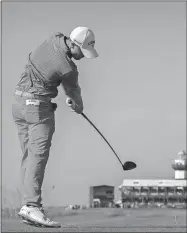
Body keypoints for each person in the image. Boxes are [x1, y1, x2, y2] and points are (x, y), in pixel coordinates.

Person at [12, 26, 99, 227]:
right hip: (38, 110)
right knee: (37, 157)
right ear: (75, 45)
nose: (83, 57)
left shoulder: (53, 38)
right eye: (83, 52)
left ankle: (28, 205)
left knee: (29, 156)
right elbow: (74, 95)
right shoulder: (68, 68)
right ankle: (32, 206)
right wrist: (76, 106)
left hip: (18, 105)